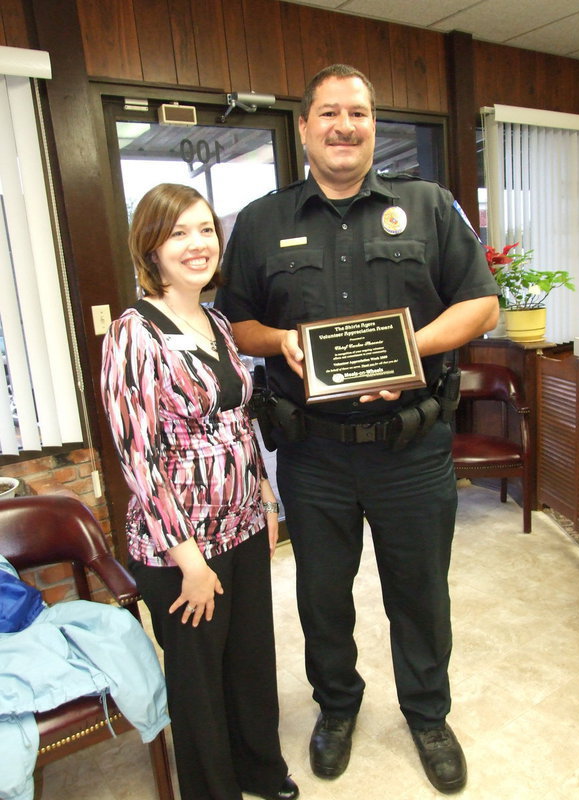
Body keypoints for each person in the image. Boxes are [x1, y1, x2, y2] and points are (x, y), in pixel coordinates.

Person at [216, 64, 499, 794]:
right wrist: (280, 342)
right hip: (313, 454)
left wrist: (411, 349)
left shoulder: (430, 206)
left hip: (412, 447)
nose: (346, 126)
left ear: (374, 125)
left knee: (420, 593)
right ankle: (337, 708)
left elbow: (481, 307)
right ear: (304, 126)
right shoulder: (262, 221)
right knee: (322, 596)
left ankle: (428, 715)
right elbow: (238, 321)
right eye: (330, 113)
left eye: (360, 114)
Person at [100, 183, 299, 800]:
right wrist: (187, 558)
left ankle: (259, 770)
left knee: (248, 660)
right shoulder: (132, 333)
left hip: (240, 524)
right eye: (179, 232)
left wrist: (265, 501)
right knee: (198, 677)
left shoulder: (214, 321)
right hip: (180, 544)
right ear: (151, 247)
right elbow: (139, 457)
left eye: (206, 229)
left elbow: (238, 420)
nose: (197, 244)